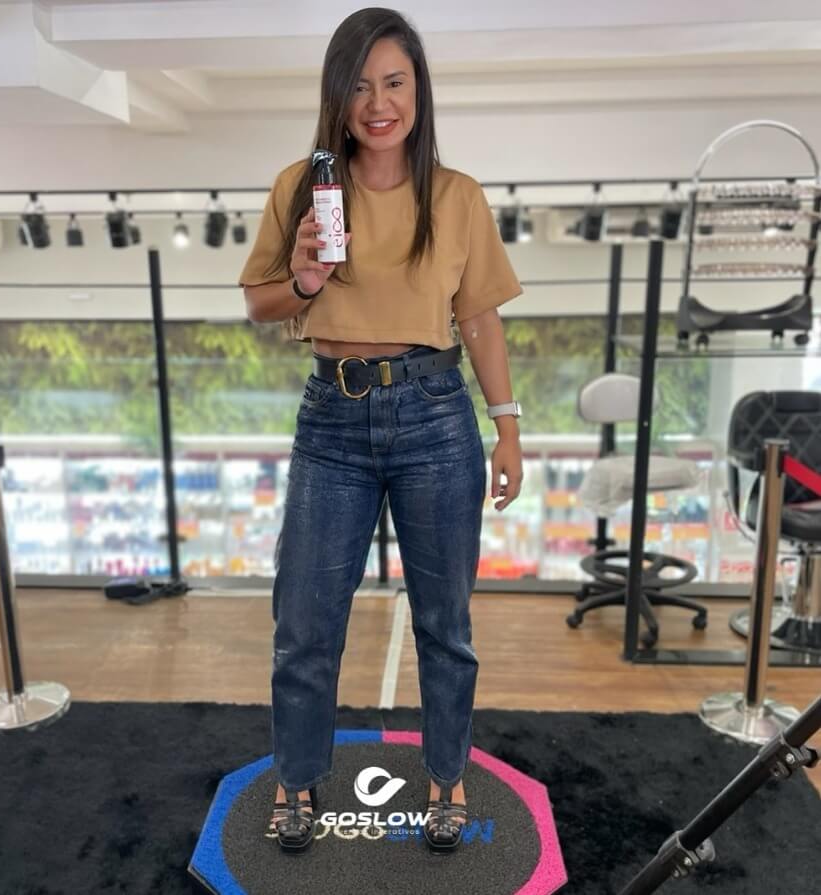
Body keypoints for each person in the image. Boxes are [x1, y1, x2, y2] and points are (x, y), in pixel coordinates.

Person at [239, 7, 524, 855]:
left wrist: (507, 427)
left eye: (394, 82)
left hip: (435, 415)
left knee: (445, 624)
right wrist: (303, 278)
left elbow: (479, 319)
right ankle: (296, 779)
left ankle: (447, 777)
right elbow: (259, 302)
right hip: (330, 420)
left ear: (417, 90)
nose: (377, 103)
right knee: (304, 622)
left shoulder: (457, 196)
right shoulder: (301, 187)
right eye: (359, 85)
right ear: (337, 94)